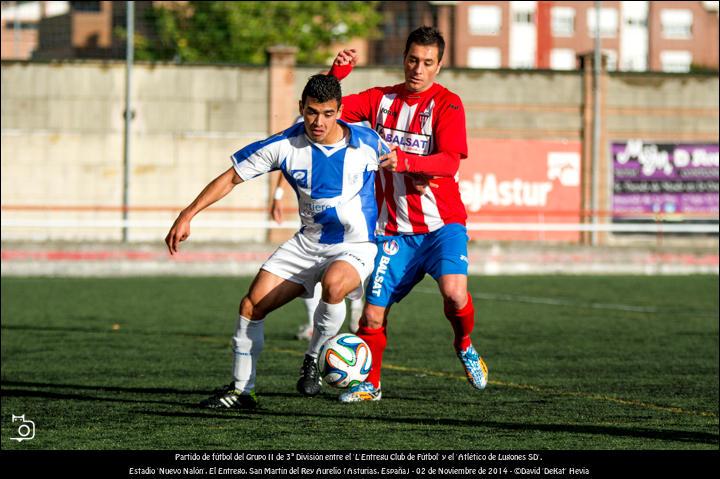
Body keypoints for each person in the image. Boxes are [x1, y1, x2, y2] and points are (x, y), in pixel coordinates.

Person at [165, 74, 392, 408]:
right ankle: (242, 390)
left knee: (333, 284)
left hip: (354, 246)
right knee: (251, 306)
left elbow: (402, 176)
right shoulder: (284, 145)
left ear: (340, 111)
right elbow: (231, 177)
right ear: (301, 108)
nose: (319, 121)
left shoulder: (368, 142)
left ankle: (313, 358)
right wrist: (188, 213)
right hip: (307, 244)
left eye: (328, 113)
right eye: (312, 112)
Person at [327, 26, 489, 402]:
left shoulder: (448, 104)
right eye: (413, 60)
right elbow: (327, 112)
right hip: (394, 232)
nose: (418, 69)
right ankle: (371, 385)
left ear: (439, 65)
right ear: (404, 59)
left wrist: (408, 163)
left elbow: (449, 161)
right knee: (371, 317)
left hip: (441, 226)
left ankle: (464, 344)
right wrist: (334, 76)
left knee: (454, 292)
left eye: (427, 63)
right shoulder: (380, 99)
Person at [270, 174, 364, 339]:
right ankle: (325, 322)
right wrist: (278, 196)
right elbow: (286, 163)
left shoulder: (354, 152)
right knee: (315, 269)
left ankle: (355, 312)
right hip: (314, 216)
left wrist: (278, 196)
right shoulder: (304, 151)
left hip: (344, 214)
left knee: (349, 263)